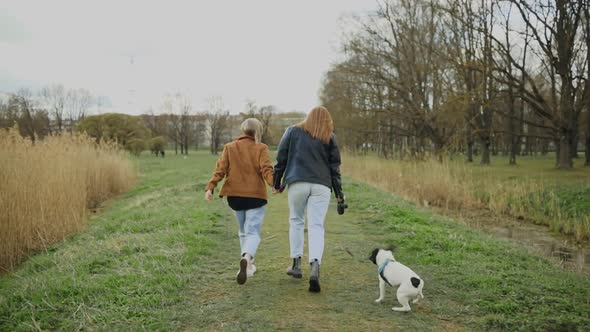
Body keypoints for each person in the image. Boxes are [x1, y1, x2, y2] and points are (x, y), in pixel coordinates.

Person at [273, 106, 343, 293]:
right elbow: (335, 168)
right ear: (327, 121)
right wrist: (339, 195)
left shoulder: (292, 131)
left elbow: (281, 158)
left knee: (296, 220)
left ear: (309, 117)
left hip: (298, 182)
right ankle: (314, 267)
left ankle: (296, 264)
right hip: (322, 185)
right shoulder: (330, 137)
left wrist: (276, 182)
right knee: (316, 226)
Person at [205, 118, 274, 285]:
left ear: (243, 130)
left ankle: (248, 266)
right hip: (255, 196)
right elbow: (266, 169)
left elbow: (220, 170)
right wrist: (275, 184)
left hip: (234, 197)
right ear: (258, 131)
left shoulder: (229, 147)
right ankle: (247, 257)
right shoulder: (261, 147)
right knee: (253, 232)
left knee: (243, 231)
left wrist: (210, 187)